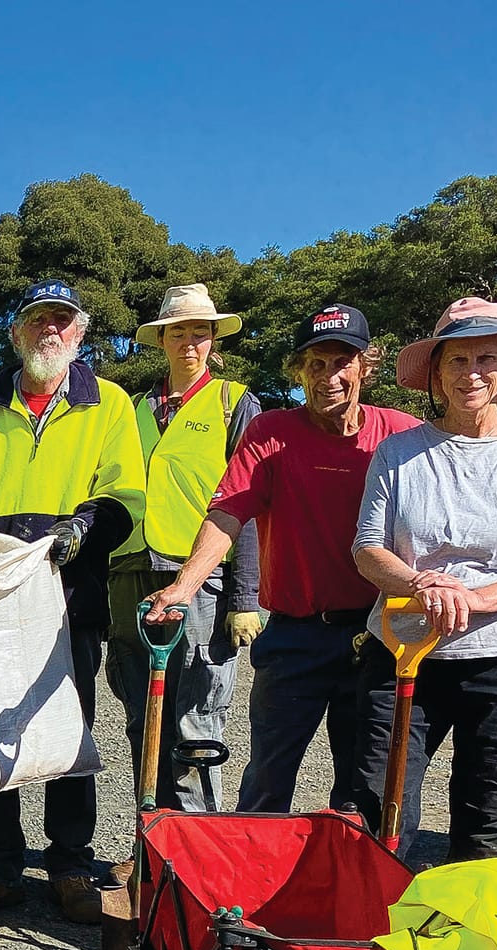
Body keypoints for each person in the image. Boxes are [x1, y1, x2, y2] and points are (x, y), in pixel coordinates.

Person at [146, 305, 422, 815]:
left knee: (368, 784)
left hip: (380, 633)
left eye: (343, 362)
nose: (330, 377)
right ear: (299, 372)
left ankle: (355, 889)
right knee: (269, 779)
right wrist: (185, 586)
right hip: (295, 635)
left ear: (365, 366)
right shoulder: (271, 431)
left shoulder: (402, 434)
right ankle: (255, 888)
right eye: (315, 364)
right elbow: (229, 509)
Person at [0, 280, 143, 923]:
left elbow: (125, 495)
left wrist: (86, 526)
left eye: (62, 321)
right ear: (17, 334)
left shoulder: (108, 405)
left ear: (79, 334)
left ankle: (72, 862)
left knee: (65, 723)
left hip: (68, 591)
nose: (49, 331)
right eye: (36, 322)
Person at [352, 298, 497, 860]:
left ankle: (465, 942)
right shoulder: (398, 452)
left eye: (486, 357)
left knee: (489, 819)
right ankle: (377, 942)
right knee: (381, 809)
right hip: (404, 650)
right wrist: (421, 584)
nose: (471, 373)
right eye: (456, 360)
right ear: (436, 371)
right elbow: (367, 548)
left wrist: (474, 600)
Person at [105, 284, 263, 816]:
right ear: (162, 340)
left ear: (214, 339)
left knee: (195, 722)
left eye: (200, 331)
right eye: (179, 332)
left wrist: (245, 596)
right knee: (140, 718)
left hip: (201, 580)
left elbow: (250, 503)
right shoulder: (133, 409)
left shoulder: (235, 402)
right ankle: (149, 843)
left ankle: (194, 847)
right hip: (131, 573)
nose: (190, 342)